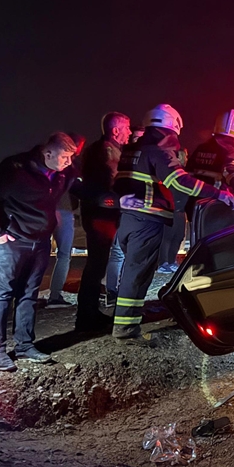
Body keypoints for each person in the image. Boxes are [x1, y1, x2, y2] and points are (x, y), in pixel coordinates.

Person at [112, 104, 234, 341]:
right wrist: (218, 193)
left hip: (128, 219)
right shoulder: (158, 151)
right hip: (147, 219)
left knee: (133, 272)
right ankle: (126, 328)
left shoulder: (132, 149)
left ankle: (128, 320)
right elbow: (179, 182)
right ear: (172, 126)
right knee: (137, 275)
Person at [0, 132, 79, 371]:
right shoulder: (15, 168)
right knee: (2, 293)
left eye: (71, 158)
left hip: (40, 242)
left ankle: (24, 344)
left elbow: (81, 187)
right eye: (65, 157)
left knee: (28, 294)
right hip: (11, 242)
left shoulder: (61, 173)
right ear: (48, 153)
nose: (68, 163)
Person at [76, 112, 130, 332]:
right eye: (125, 128)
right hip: (101, 215)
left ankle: (89, 313)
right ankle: (86, 317)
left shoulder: (101, 149)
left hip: (100, 213)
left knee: (97, 266)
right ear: (115, 130)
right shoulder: (106, 150)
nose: (129, 132)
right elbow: (110, 181)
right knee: (96, 265)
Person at [44, 133, 85, 308]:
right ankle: (54, 296)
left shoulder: (49, 164)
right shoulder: (70, 167)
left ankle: (29, 296)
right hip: (63, 210)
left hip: (46, 211)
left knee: (40, 254)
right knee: (63, 255)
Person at [157, 142, 189, 275]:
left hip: (181, 209)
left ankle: (171, 261)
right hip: (171, 209)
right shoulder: (171, 172)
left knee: (179, 236)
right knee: (167, 237)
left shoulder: (184, 172)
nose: (187, 158)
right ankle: (163, 263)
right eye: (185, 156)